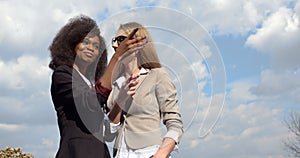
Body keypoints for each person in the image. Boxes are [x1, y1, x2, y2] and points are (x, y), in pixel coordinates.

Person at [49, 15, 145, 158]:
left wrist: (120, 102)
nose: (91, 48)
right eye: (85, 42)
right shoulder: (62, 75)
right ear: (72, 44)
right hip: (76, 152)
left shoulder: (90, 83)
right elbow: (90, 102)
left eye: (96, 46)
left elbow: (106, 134)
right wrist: (117, 56)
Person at [108, 22, 184, 158]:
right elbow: (108, 134)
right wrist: (119, 101)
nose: (115, 45)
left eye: (121, 40)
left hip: (149, 153)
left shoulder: (157, 75)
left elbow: (175, 124)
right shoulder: (115, 84)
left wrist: (160, 154)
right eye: (115, 41)